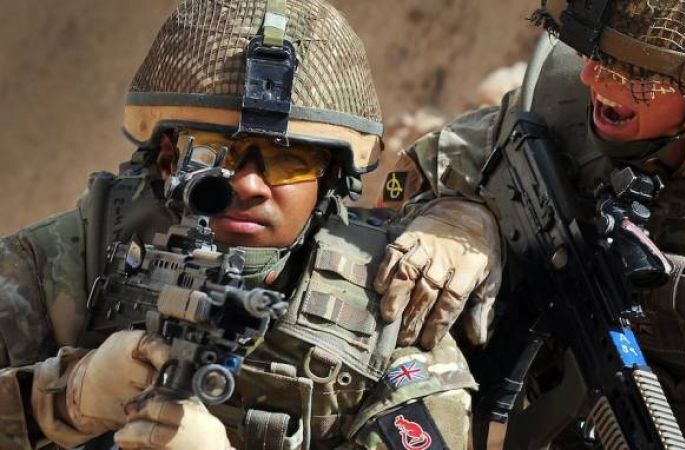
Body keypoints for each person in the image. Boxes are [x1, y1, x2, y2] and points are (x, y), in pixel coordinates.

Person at [0, 0, 499, 448]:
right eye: (214, 150)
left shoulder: (391, 319)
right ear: (168, 159)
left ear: (328, 180)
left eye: (288, 160)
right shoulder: (66, 261)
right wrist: (58, 401)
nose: (248, 184)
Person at [376, 0, 685, 448]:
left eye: (637, 74)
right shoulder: (569, 99)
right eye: (595, 54)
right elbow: (429, 169)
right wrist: (461, 216)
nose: (592, 77)